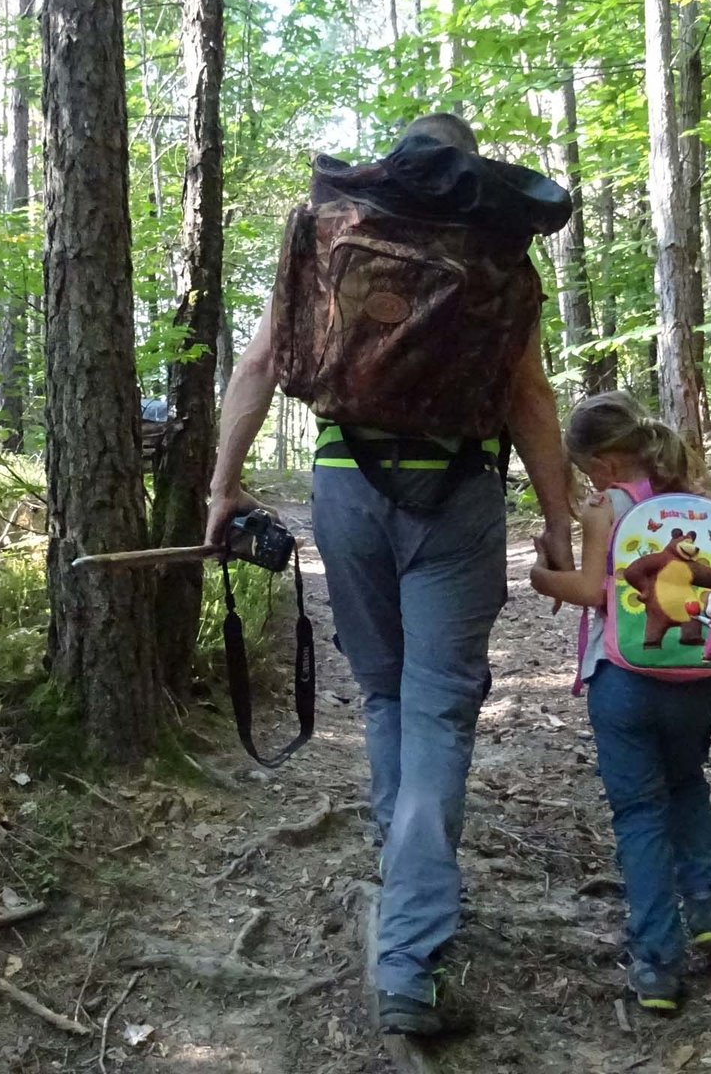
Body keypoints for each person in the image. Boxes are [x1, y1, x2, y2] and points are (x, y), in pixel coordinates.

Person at [205, 112, 574, 1037]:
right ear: (470, 166)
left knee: (383, 695)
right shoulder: (498, 244)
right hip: (460, 494)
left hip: (347, 486)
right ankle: (412, 945)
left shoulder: (332, 226)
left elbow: (260, 360)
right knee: (441, 706)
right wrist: (560, 519)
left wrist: (221, 486)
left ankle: (403, 871)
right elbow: (528, 392)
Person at [527, 391, 711, 1015]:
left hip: (624, 680)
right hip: (696, 679)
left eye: (587, 467)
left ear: (608, 463)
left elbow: (592, 591)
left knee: (640, 814)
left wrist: (540, 577)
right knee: (688, 784)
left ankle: (657, 966)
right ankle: (709, 909)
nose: (587, 480)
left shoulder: (609, 506)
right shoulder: (700, 502)